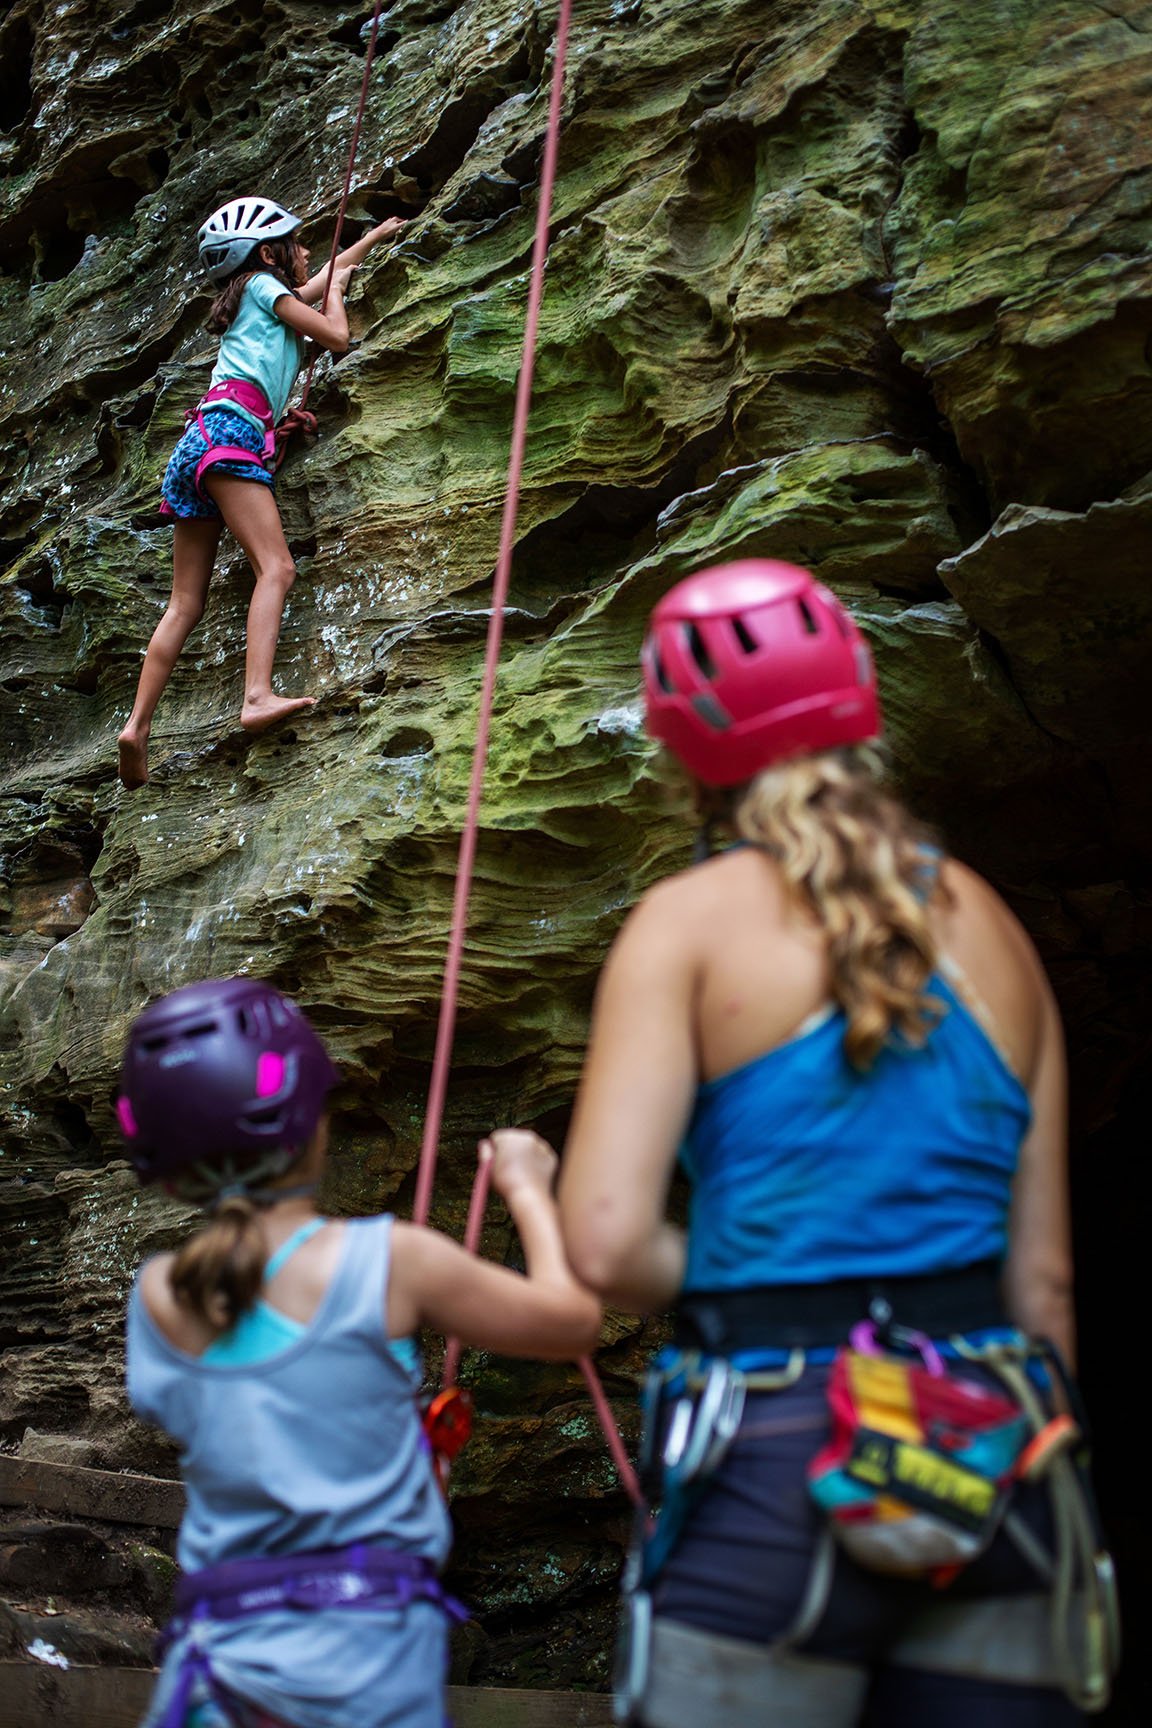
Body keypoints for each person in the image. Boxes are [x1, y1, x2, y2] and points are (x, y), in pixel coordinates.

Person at [555, 560, 1118, 1725]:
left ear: (680, 750)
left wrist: (772, 1272)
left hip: (772, 1456)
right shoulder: (998, 929)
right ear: (861, 698)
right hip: (993, 1452)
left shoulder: (685, 926)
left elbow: (603, 1244)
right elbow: (1047, 1285)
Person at [118, 975, 600, 1728]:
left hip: (218, 1672)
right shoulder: (388, 1261)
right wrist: (529, 1187)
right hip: (364, 1670)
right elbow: (572, 1322)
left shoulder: (156, 1298)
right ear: (310, 1120)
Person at [117, 196, 405, 790]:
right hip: (229, 440)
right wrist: (339, 295)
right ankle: (256, 695)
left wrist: (372, 240)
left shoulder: (256, 299)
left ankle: (137, 728)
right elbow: (335, 336)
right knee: (276, 567)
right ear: (268, 255)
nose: (307, 253)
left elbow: (322, 279)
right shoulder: (264, 291)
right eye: (297, 244)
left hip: (200, 441)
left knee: (183, 605)